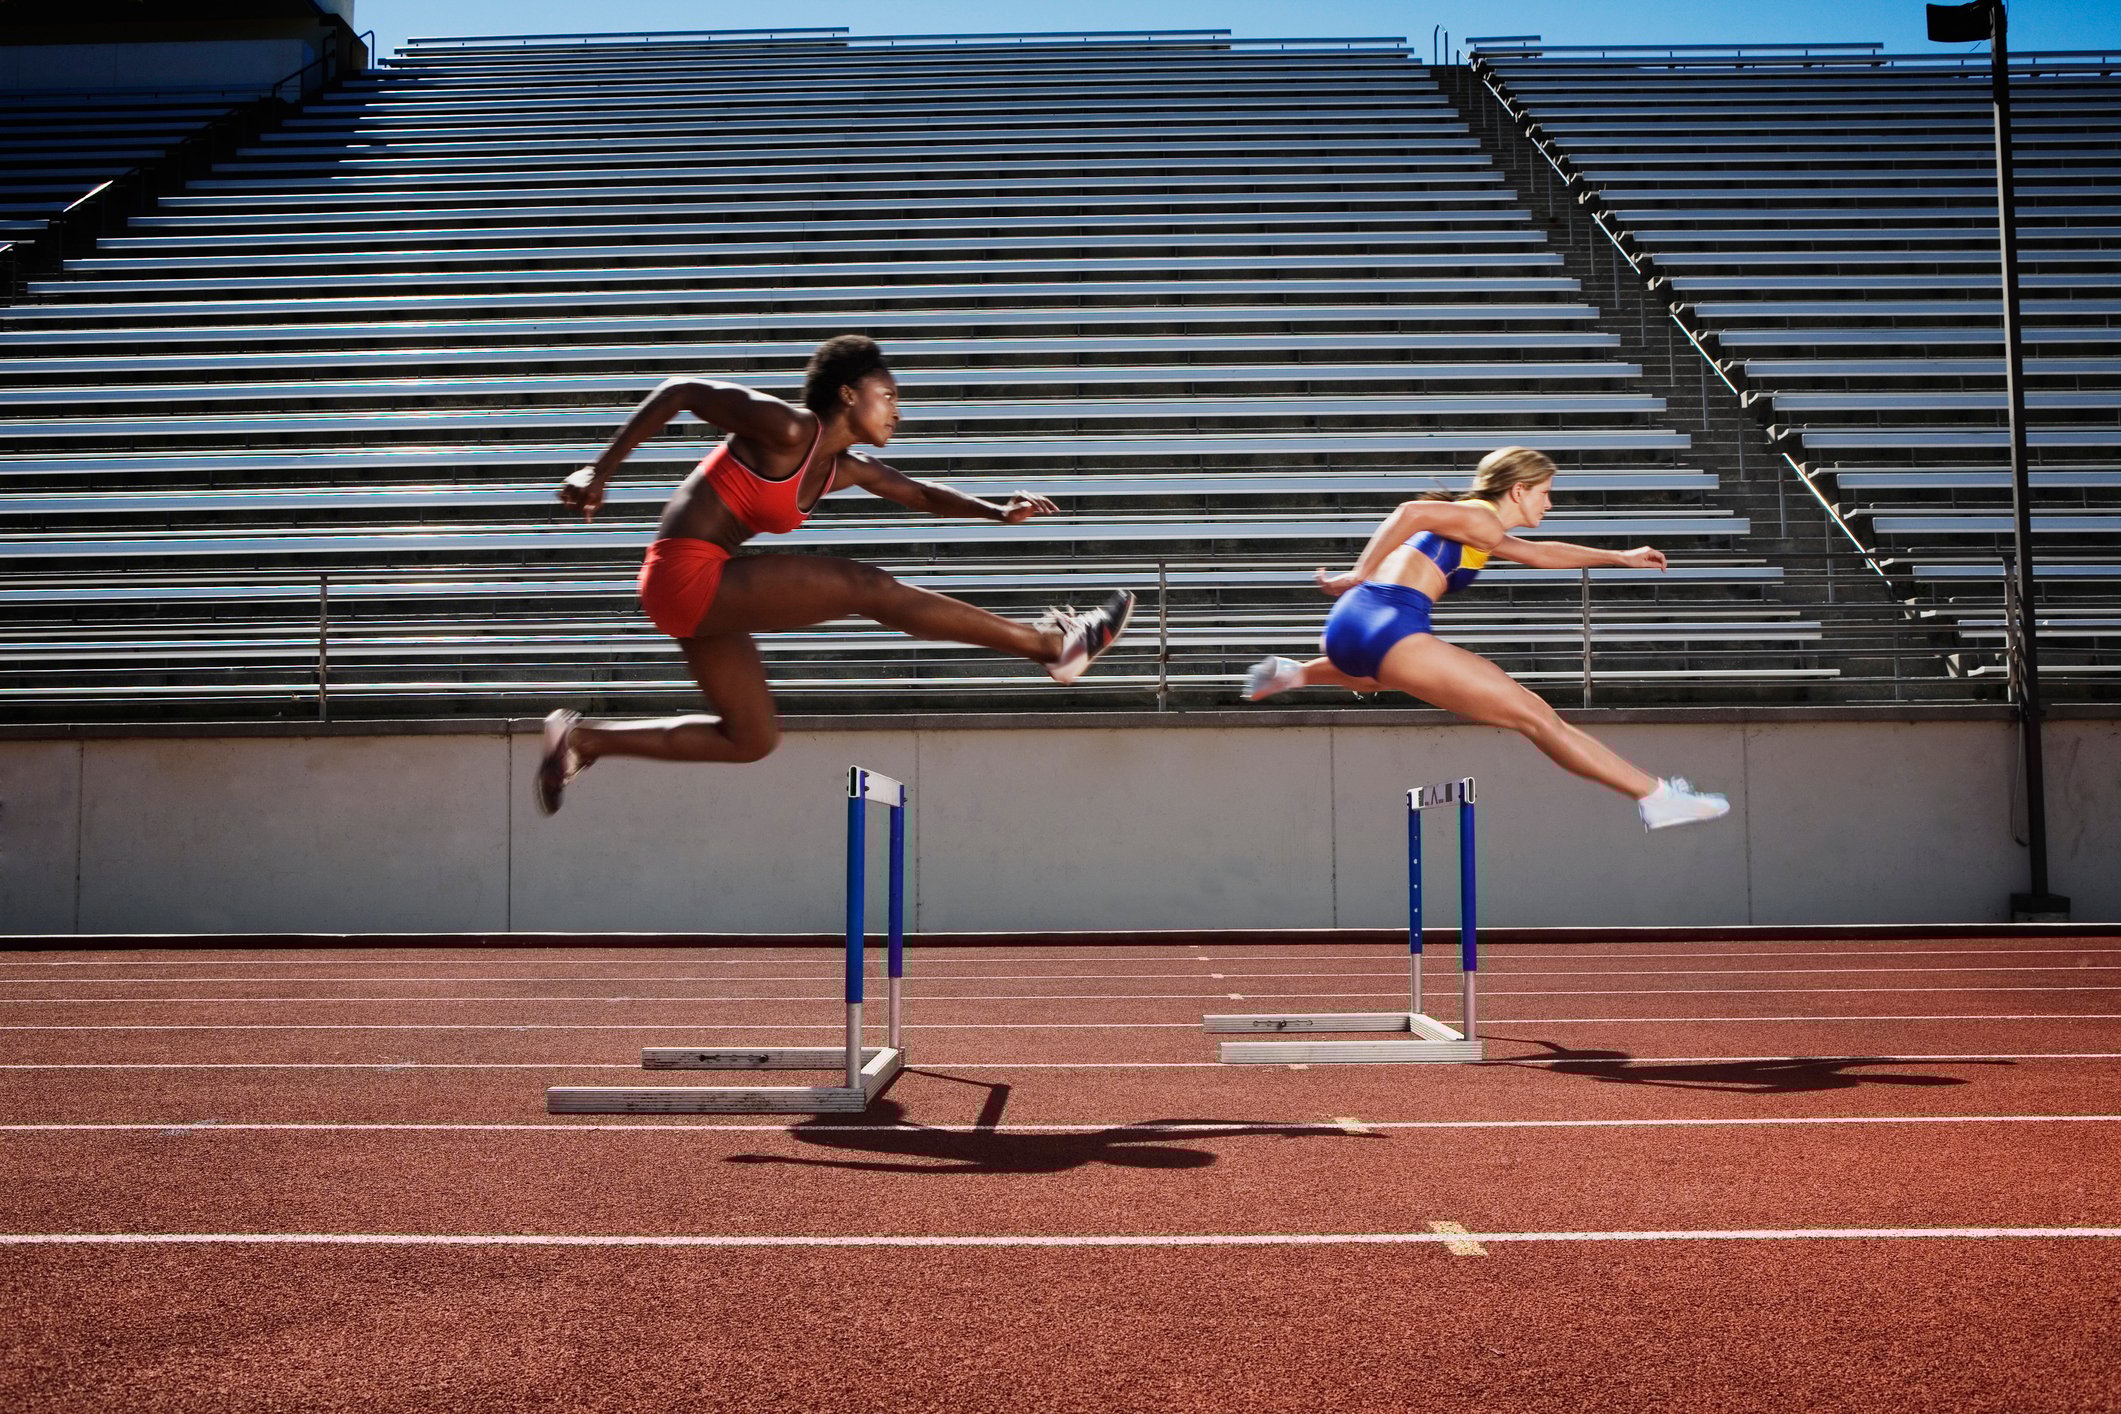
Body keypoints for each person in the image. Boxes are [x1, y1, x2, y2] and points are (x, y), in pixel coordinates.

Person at [534, 334, 1133, 814]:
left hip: (706, 592)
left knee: (751, 739)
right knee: (864, 586)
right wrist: (599, 470)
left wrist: (999, 511)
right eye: (889, 395)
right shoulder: (788, 428)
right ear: (848, 393)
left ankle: (585, 741)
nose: (899, 410)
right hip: (684, 573)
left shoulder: (846, 468)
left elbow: (921, 496)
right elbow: (682, 390)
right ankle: (1050, 646)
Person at [1244, 445, 1730, 830]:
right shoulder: (1479, 517)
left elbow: (1542, 555)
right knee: (1537, 716)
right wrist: (1358, 571)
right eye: (1545, 492)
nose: (1550, 502)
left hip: (1351, 627)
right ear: (1519, 490)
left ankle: (1294, 671)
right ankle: (1659, 798)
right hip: (1388, 619)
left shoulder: (1483, 531)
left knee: (1380, 679)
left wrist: (1620, 557)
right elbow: (1409, 512)